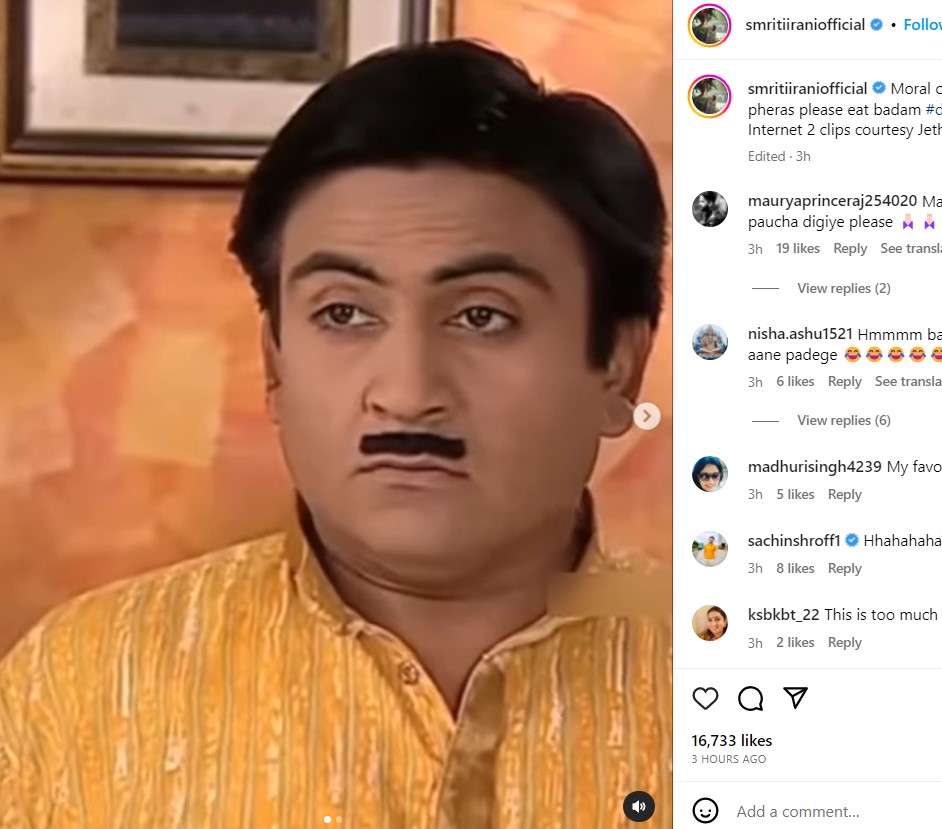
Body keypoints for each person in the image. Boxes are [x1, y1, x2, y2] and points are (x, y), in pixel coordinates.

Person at [0, 40, 671, 827]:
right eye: (344, 312)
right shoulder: (77, 683)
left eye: (482, 316)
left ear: (618, 365)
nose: (407, 395)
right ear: (274, 361)